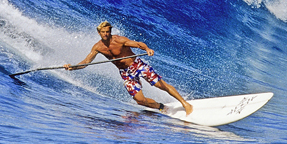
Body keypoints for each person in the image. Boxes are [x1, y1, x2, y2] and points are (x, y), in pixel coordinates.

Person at [64, 21, 193, 115]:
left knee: (160, 85)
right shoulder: (98, 47)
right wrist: (73, 67)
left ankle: (185, 104)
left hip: (137, 65)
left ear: (110, 32)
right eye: (103, 32)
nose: (105, 34)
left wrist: (147, 49)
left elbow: (137, 44)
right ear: (99, 33)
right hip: (125, 73)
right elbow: (86, 62)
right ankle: (161, 107)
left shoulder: (119, 40)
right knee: (140, 100)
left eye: (108, 32)